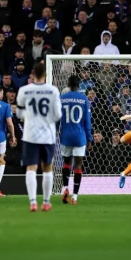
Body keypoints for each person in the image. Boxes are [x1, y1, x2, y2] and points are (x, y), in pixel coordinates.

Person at [16, 63, 62, 212]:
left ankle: (33, 202)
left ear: (33, 74)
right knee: (47, 167)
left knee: (31, 167)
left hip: (30, 135)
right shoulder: (53, 90)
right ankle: (46, 202)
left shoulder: (24, 90)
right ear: (46, 75)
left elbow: (19, 114)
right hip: (48, 135)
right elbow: (58, 115)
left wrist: (30, 117)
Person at [60, 75, 92, 205]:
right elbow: (87, 121)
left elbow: (57, 118)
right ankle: (75, 197)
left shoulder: (61, 98)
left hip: (66, 135)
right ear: (78, 86)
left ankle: (65, 188)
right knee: (78, 164)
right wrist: (89, 138)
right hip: (80, 136)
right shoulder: (84, 99)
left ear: (68, 85)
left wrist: (56, 133)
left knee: (66, 162)